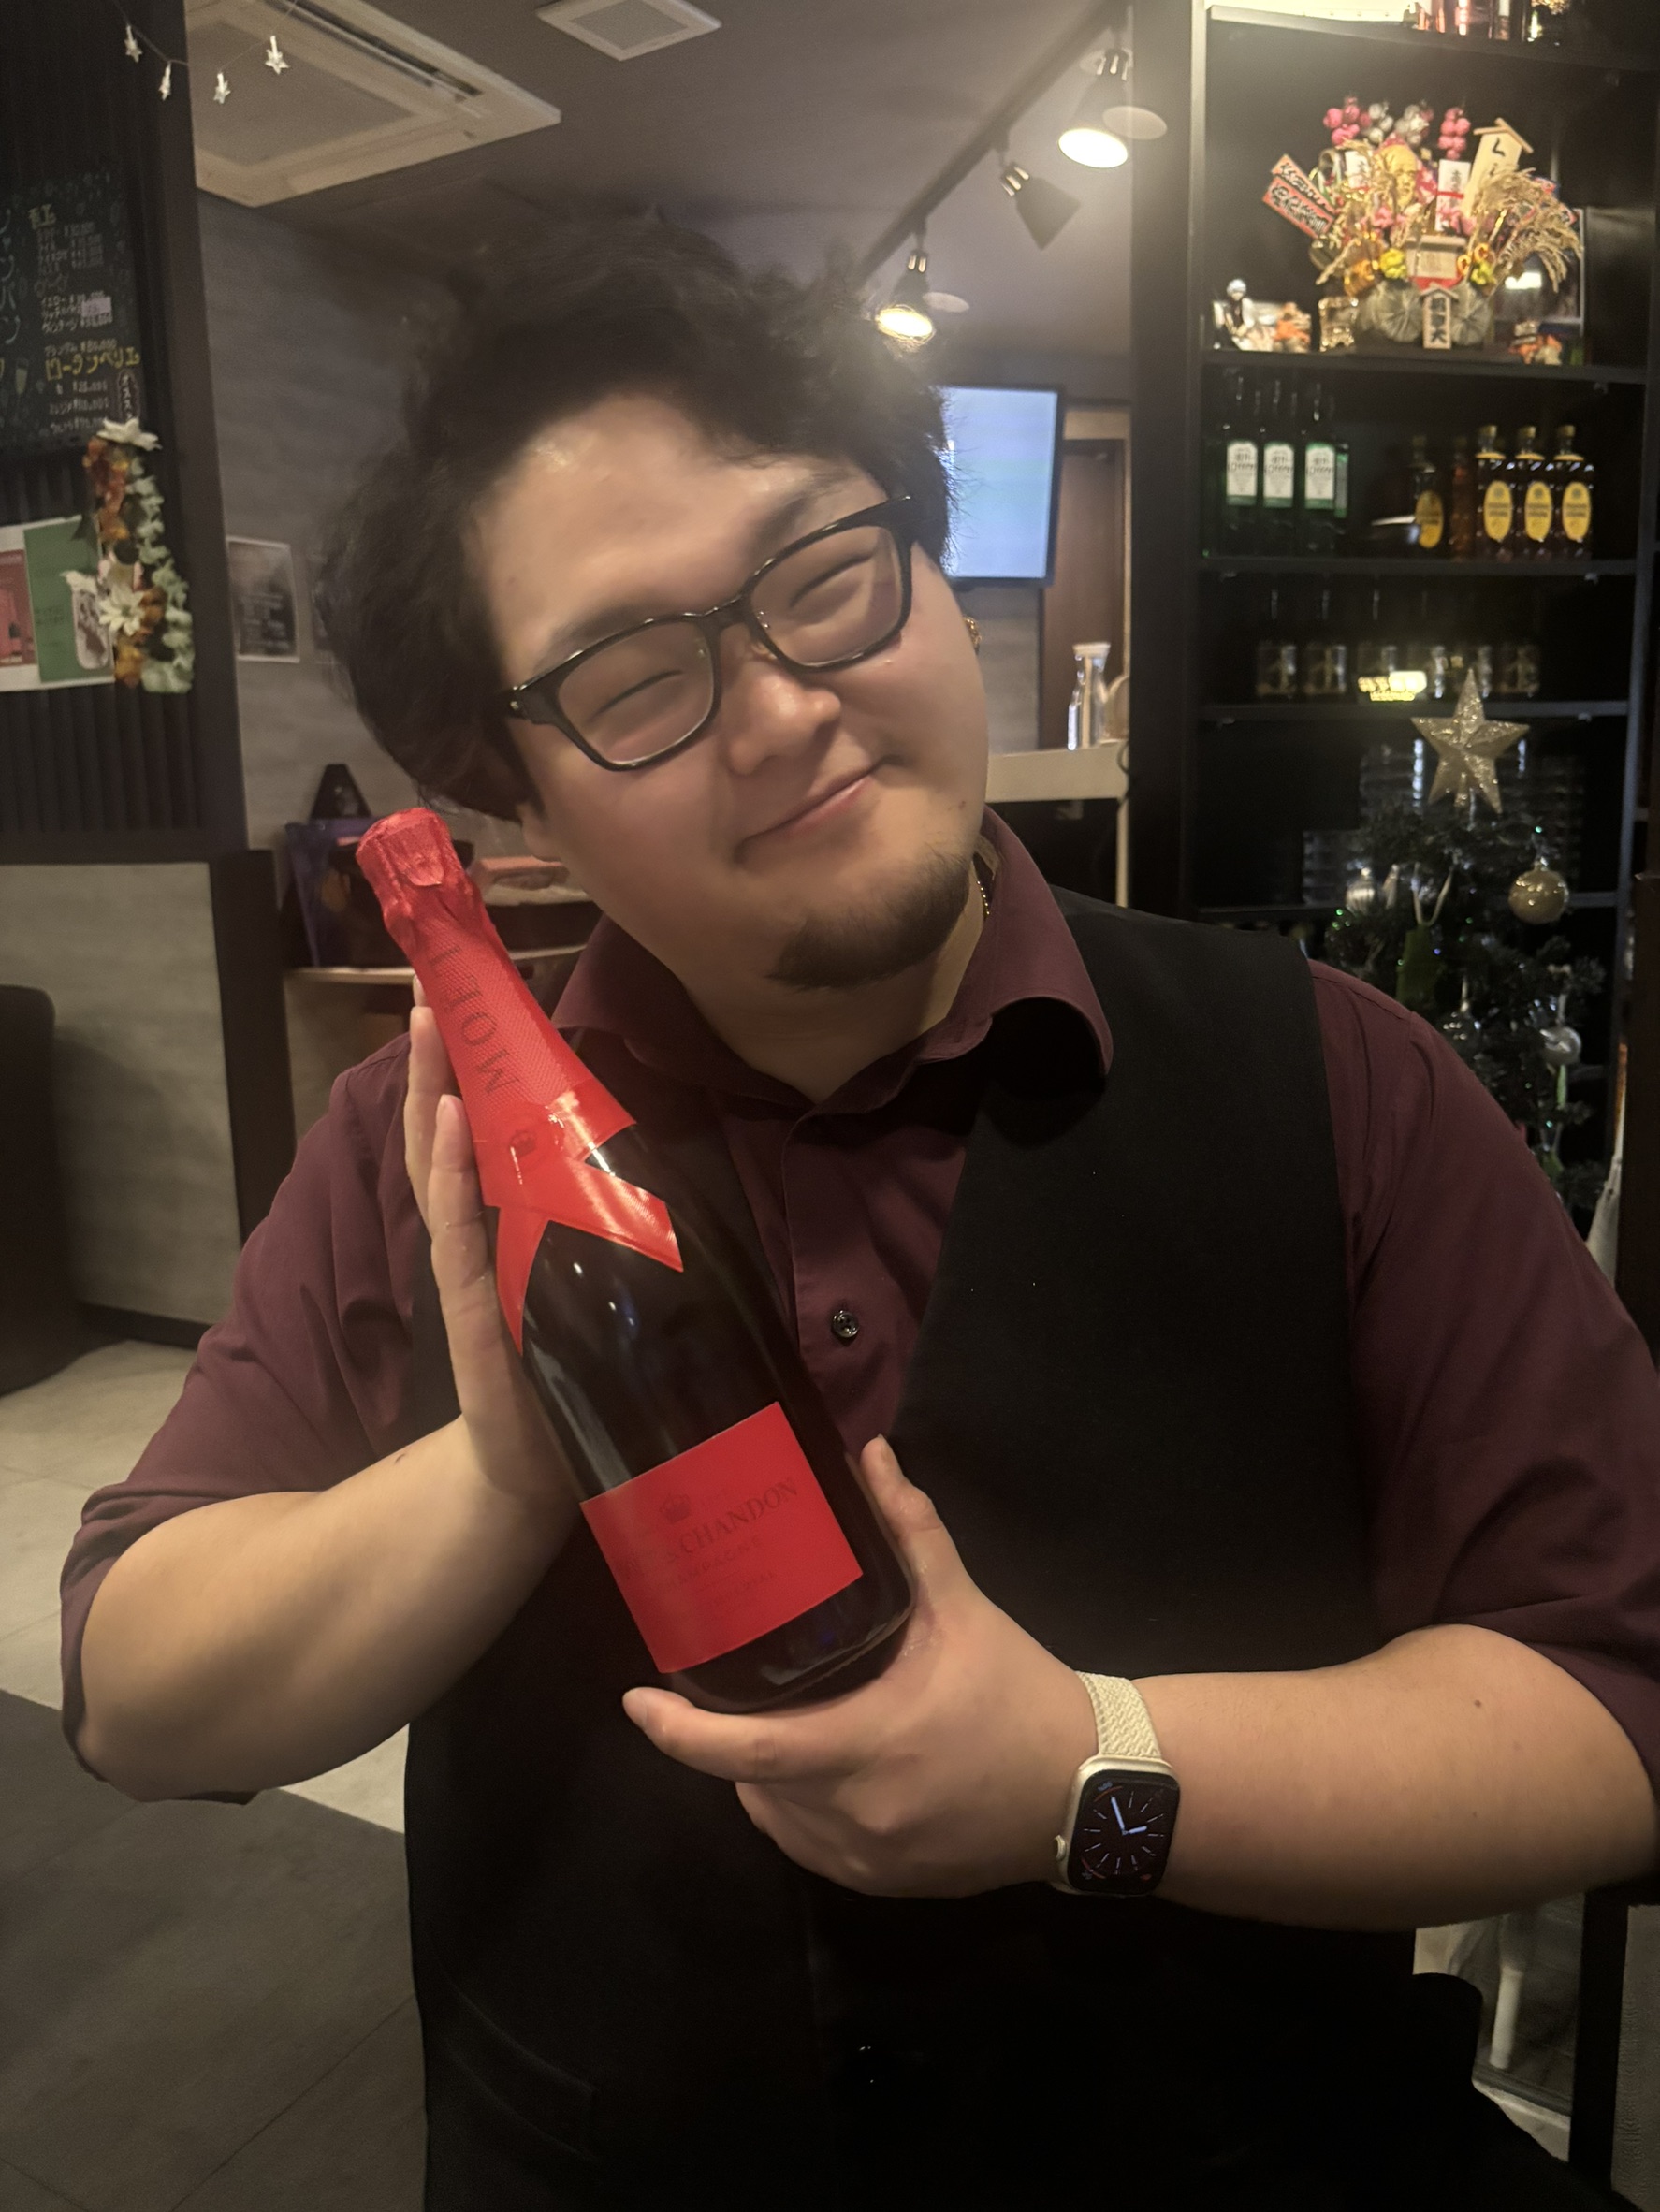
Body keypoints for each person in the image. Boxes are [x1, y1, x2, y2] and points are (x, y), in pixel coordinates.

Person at [61, 220, 1660, 2210]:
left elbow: (1613, 1703)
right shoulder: (423, 1155)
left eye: (823, 577)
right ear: (512, 795)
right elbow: (137, 1697)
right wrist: (498, 1473)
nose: (778, 710)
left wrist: (1087, 1769)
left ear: (930, 568)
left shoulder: (1340, 1084)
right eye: (633, 675)